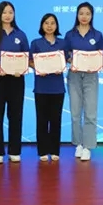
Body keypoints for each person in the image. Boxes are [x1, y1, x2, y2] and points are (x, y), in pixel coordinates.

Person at [0, 1, 29, 164]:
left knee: (16, 115)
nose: (8, 15)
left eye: (10, 12)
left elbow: (26, 58)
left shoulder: (20, 35)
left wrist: (22, 68)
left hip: (16, 79)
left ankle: (14, 150)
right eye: (4, 12)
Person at [65, 2, 103, 162]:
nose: (84, 17)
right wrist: (72, 60)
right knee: (75, 112)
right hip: (74, 75)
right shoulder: (70, 35)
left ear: (92, 16)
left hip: (91, 76)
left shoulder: (97, 35)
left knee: (90, 113)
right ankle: (78, 144)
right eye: (81, 13)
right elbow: (65, 55)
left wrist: (93, 63)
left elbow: (101, 56)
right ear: (77, 15)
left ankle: (88, 146)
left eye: (87, 14)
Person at [29, 13, 67, 162]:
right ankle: (43, 150)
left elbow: (67, 59)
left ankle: (55, 150)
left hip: (57, 87)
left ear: (56, 26)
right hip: (41, 87)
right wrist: (39, 67)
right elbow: (30, 61)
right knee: (42, 120)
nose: (49, 26)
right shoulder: (36, 43)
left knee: (56, 120)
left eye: (52, 23)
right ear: (42, 25)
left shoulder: (62, 43)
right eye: (46, 23)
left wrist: (61, 66)